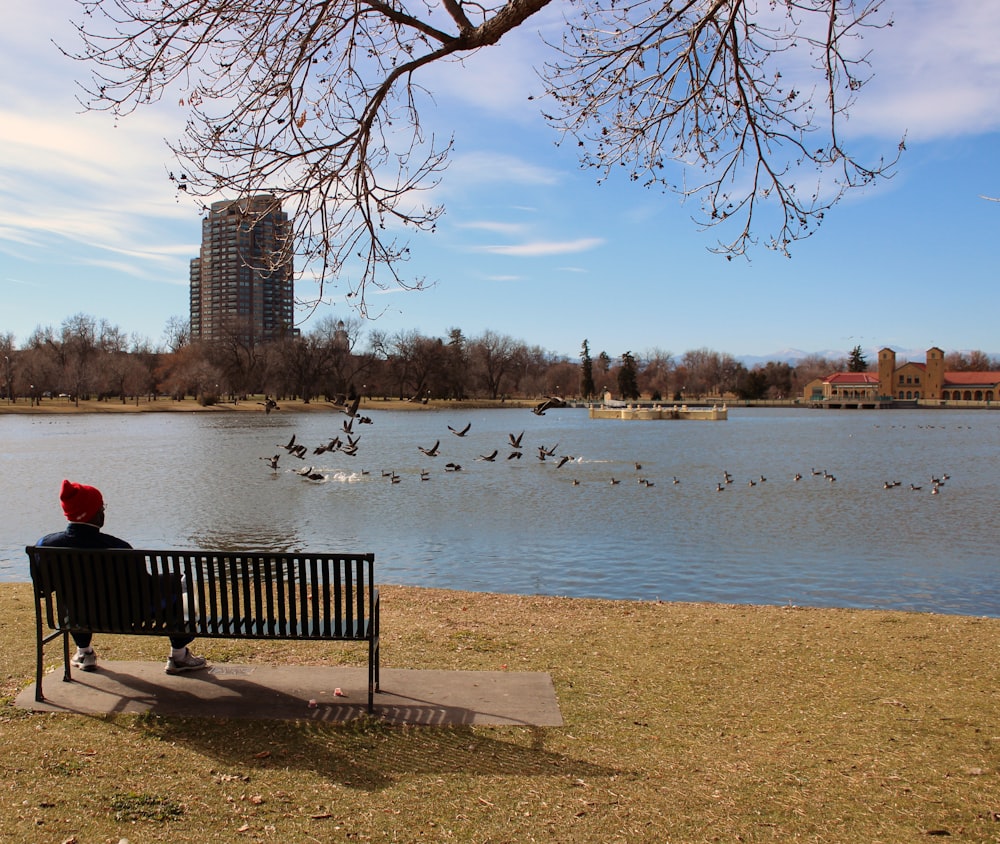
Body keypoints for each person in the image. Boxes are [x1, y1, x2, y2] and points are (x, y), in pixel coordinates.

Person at [36, 479, 208, 676]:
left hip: (77, 615)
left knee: (75, 597)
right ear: (93, 513)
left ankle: (84, 653)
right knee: (178, 586)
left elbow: (43, 588)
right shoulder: (119, 548)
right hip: (127, 616)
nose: (103, 512)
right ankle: (179, 656)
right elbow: (143, 588)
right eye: (101, 507)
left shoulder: (45, 546)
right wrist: (173, 580)